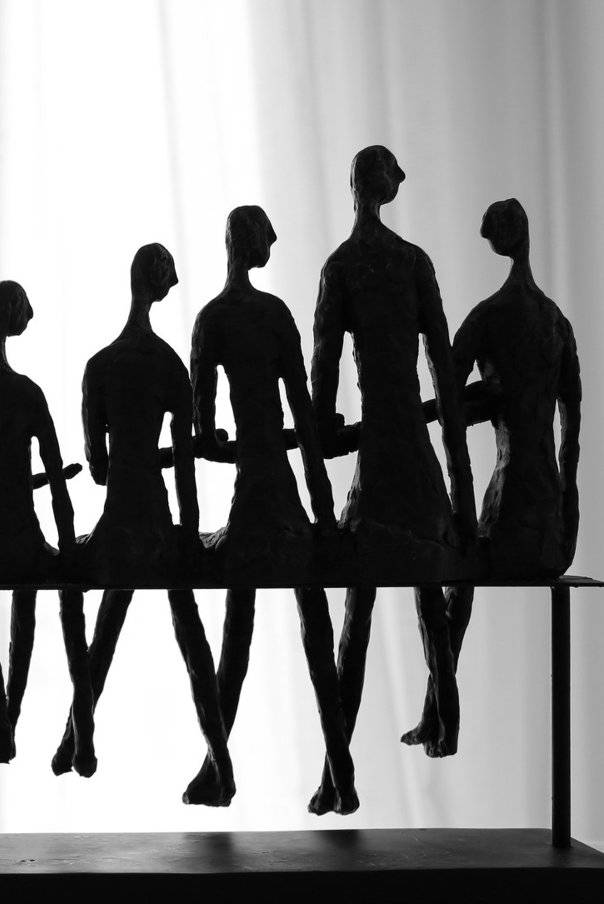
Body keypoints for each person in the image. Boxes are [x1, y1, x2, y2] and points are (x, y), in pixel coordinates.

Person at [309, 146, 475, 811]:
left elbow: (325, 366)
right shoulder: (410, 262)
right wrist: (461, 484)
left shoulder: (343, 265)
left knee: (361, 611)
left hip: (381, 450)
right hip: (409, 445)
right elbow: (443, 373)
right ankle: (442, 725)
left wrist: (323, 433)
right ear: (382, 185)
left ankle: (337, 776)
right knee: (427, 594)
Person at [187, 207, 357, 813]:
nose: (275, 239)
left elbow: (205, 434)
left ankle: (217, 769)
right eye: (266, 232)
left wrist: (221, 439)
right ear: (246, 240)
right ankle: (341, 774)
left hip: (252, 491)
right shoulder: (275, 314)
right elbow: (303, 419)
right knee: (315, 635)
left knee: (239, 633)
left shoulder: (212, 319)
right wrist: (323, 511)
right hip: (281, 491)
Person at [52, 244, 234, 805]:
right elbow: (185, 464)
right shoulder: (169, 365)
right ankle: (221, 760)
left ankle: (76, 738)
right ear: (156, 285)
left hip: (119, 518)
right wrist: (188, 532)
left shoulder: (100, 366)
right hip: (157, 520)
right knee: (192, 641)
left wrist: (124, 455)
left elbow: (98, 468)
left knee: (105, 631)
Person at [402, 197, 581, 749]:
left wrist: (480, 401)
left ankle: (440, 716)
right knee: (459, 578)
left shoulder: (488, 317)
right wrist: (567, 519)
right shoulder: (555, 321)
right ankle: (436, 716)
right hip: (549, 527)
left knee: (452, 577)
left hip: (509, 511)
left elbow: (447, 403)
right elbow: (571, 432)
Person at [0, 281, 87, 767]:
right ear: (10, 315)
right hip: (26, 536)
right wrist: (67, 546)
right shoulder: (28, 393)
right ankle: (9, 714)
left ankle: (1, 714)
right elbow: (56, 484)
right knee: (25, 611)